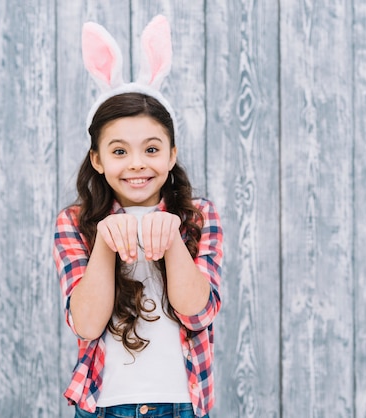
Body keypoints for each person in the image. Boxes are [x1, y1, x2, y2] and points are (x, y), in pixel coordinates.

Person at [53, 16, 222, 418]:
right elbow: (87, 325)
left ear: (171, 154)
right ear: (97, 158)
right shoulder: (75, 222)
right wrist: (106, 245)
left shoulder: (199, 215)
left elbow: (198, 313)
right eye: (118, 151)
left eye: (150, 149)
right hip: (104, 405)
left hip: (182, 404)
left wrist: (175, 240)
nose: (136, 165)